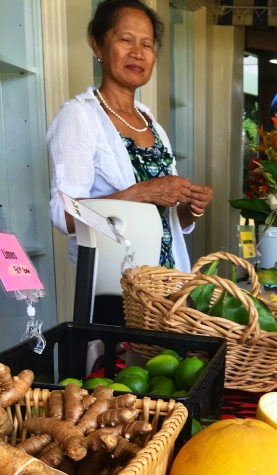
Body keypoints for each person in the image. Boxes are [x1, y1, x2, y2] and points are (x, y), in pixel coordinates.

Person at [47, 0, 213, 320]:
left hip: (166, 291)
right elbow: (64, 214)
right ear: (98, 44)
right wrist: (142, 192)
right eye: (125, 40)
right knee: (121, 370)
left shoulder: (150, 122)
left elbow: (167, 221)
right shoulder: (79, 117)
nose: (137, 52)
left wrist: (189, 208)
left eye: (147, 44)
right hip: (119, 290)